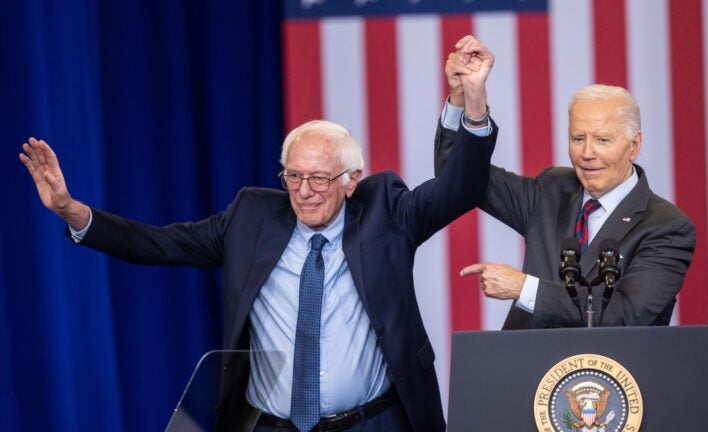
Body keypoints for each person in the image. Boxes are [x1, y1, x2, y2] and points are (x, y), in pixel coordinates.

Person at [18, 46, 496, 432]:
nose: (304, 192)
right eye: (293, 176)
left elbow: (463, 188)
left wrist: (472, 103)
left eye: (319, 179)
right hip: (272, 425)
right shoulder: (252, 219)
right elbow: (159, 244)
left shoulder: (386, 213)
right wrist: (73, 211)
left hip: (374, 421)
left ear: (352, 179)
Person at [435, 36, 695, 330]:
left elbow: (626, 314)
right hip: (529, 370)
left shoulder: (666, 226)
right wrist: (468, 99)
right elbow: (457, 180)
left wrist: (524, 289)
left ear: (634, 145)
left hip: (609, 373)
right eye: (578, 139)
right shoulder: (552, 190)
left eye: (602, 140)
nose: (587, 154)